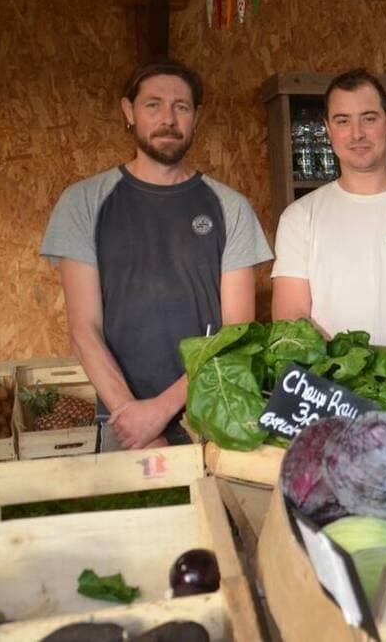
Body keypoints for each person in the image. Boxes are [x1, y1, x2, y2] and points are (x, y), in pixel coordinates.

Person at [41, 60, 272, 450]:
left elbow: (235, 333)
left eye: (181, 107)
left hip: (211, 415)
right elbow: (84, 329)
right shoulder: (83, 202)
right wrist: (133, 417)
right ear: (128, 111)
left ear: (196, 117)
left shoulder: (230, 207)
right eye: (153, 105)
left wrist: (159, 411)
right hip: (122, 421)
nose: (168, 118)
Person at [272, 68, 386, 356]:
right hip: (331, 381)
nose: (357, 133)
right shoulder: (299, 217)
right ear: (328, 128)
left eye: (369, 118)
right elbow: (291, 314)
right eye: (343, 121)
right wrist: (341, 372)